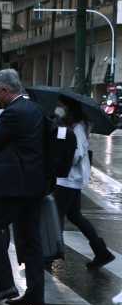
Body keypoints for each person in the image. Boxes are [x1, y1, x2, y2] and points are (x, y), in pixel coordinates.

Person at [0, 69, 47, 305]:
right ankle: (35, 293)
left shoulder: (13, 112)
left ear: (6, 91)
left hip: (14, 185)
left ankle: (5, 285)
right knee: (30, 238)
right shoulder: (36, 109)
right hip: (34, 184)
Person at [52, 98, 114, 269]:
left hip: (68, 178)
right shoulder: (69, 126)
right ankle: (102, 252)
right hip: (70, 178)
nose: (58, 109)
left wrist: (61, 163)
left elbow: (76, 153)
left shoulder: (78, 127)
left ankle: (50, 255)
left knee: (56, 217)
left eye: (61, 106)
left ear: (69, 109)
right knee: (74, 216)